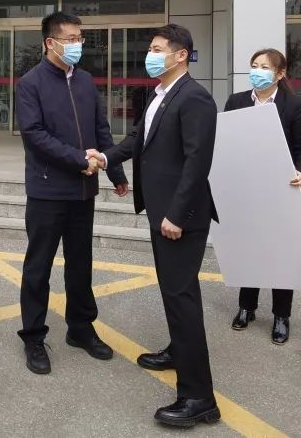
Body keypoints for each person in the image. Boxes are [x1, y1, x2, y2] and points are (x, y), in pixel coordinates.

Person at [87, 24, 220, 427]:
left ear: (181, 55)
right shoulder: (159, 94)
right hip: (161, 212)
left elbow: (197, 162)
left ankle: (199, 397)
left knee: (182, 297)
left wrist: (177, 215)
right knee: (173, 293)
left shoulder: (195, 98)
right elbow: (136, 141)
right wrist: (105, 158)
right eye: (151, 48)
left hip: (180, 217)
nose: (151, 54)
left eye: (158, 49)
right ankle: (180, 351)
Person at [15, 11, 128, 375]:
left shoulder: (85, 81)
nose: (78, 44)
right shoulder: (30, 84)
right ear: (50, 42)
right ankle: (33, 336)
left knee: (80, 264)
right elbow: (35, 135)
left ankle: (80, 328)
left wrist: (115, 170)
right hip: (48, 191)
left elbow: (100, 127)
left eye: (80, 38)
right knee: (38, 267)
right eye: (71, 39)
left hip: (83, 191)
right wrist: (78, 159)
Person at [224, 48, 301, 345]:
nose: (257, 71)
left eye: (264, 67)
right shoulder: (236, 101)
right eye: (254, 65)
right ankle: (246, 307)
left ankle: (281, 315)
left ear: (280, 73)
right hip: (247, 190)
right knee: (249, 250)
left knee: (280, 255)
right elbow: (227, 142)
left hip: (282, 190)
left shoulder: (293, 106)